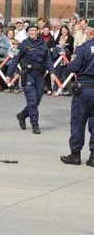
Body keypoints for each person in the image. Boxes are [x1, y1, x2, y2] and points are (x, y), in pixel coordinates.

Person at [5, 22, 57, 135]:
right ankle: (35, 125)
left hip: (39, 75)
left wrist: (52, 72)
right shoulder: (23, 44)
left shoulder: (43, 44)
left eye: (34, 30)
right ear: (28, 32)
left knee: (37, 100)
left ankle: (22, 115)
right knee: (32, 100)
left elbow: (48, 60)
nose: (32, 32)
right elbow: (15, 60)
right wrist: (9, 75)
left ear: (38, 31)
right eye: (30, 31)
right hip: (27, 74)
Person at [60, 19, 94, 167]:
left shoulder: (83, 48)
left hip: (84, 89)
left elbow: (73, 67)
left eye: (86, 30)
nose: (85, 32)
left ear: (91, 31)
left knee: (78, 122)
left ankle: (75, 154)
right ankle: (93, 157)